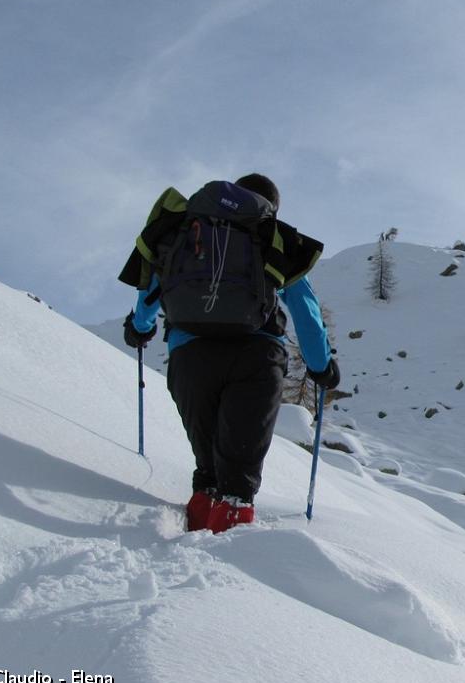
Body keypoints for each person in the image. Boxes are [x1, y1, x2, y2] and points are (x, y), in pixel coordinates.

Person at [119, 173, 339, 533]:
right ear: (271, 207)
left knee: (208, 468)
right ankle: (230, 562)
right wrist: (320, 366)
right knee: (237, 477)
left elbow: (151, 286)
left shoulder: (184, 229)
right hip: (256, 355)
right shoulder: (271, 236)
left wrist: (140, 327)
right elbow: (305, 308)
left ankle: (194, 533)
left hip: (190, 356)